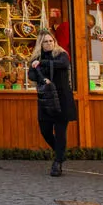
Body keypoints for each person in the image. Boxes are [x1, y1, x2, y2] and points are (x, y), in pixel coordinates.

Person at [28, 28, 76, 177]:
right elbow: (31, 74)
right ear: (40, 44)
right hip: (46, 98)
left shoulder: (61, 55)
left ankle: (57, 163)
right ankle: (60, 153)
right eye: (46, 42)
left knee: (61, 131)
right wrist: (41, 75)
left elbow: (61, 64)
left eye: (51, 41)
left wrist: (40, 64)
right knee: (45, 130)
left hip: (62, 98)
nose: (49, 44)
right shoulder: (35, 58)